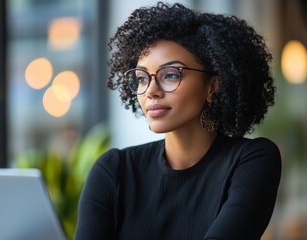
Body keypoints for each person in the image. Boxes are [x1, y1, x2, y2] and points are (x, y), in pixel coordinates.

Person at [75, 2, 281, 239]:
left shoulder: (251, 162)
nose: (151, 90)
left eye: (170, 75)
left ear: (213, 86)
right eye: (142, 78)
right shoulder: (114, 171)